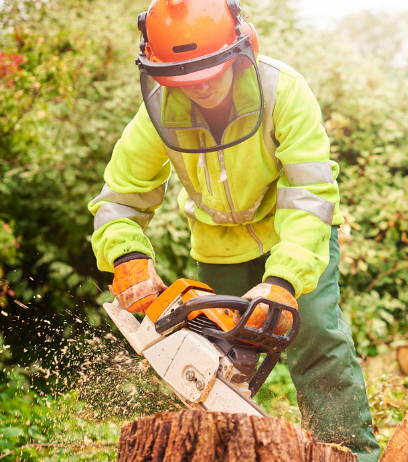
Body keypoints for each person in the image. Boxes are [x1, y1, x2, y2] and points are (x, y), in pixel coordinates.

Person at [89, 1, 378, 459]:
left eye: (208, 71)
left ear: (241, 50)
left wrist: (283, 282)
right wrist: (127, 257)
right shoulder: (159, 111)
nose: (199, 86)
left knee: (318, 337)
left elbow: (310, 195)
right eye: (184, 76)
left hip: (293, 238)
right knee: (207, 356)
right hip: (219, 246)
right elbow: (119, 197)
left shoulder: (283, 91)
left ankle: (350, 451)